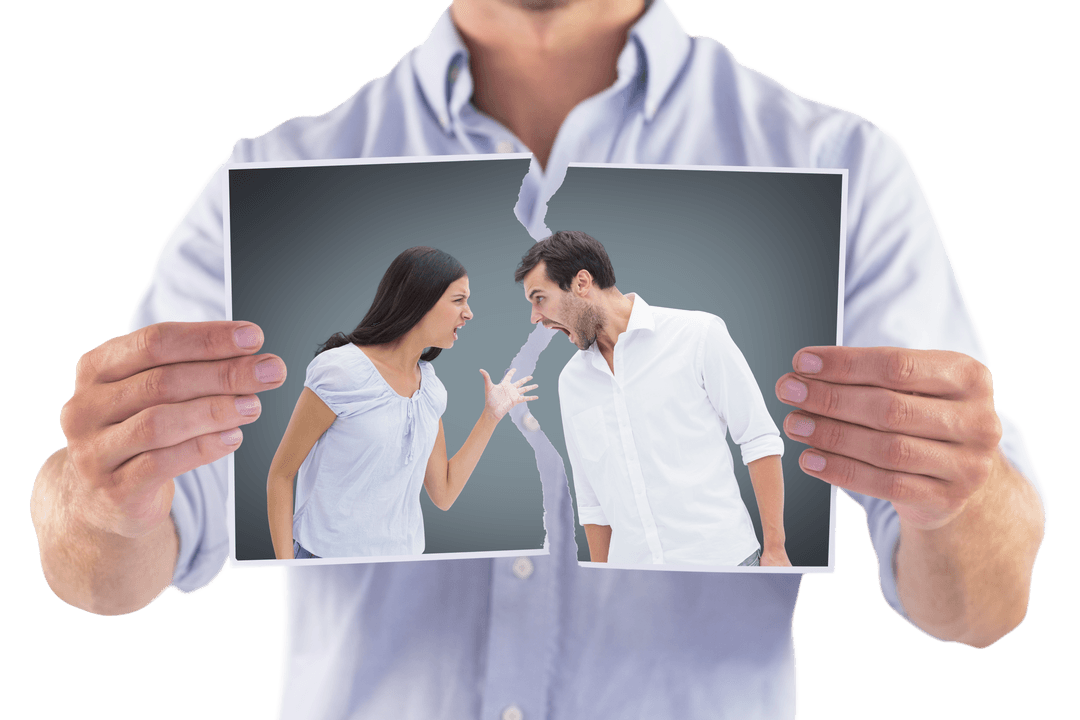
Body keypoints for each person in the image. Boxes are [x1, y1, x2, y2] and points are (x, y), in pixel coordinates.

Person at [29, 1, 1047, 717]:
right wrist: (94, 498)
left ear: (584, 282)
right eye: (481, 303)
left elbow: (976, 604)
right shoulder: (270, 181)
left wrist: (955, 496)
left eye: (522, 303)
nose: (507, 319)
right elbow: (125, 567)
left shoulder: (843, 174)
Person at [516, 230, 790, 567]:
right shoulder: (571, 382)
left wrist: (775, 548)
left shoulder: (698, 335)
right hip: (634, 587)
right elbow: (592, 500)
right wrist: (600, 586)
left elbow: (758, 439)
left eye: (539, 298)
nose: (535, 317)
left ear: (581, 283)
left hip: (725, 566)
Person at [266, 246, 538, 560]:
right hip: (326, 563)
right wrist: (291, 572)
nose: (469, 313)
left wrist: (490, 415)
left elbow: (444, 493)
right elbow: (281, 475)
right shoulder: (340, 371)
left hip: (403, 568)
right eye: (458, 300)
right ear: (420, 300)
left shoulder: (430, 389)